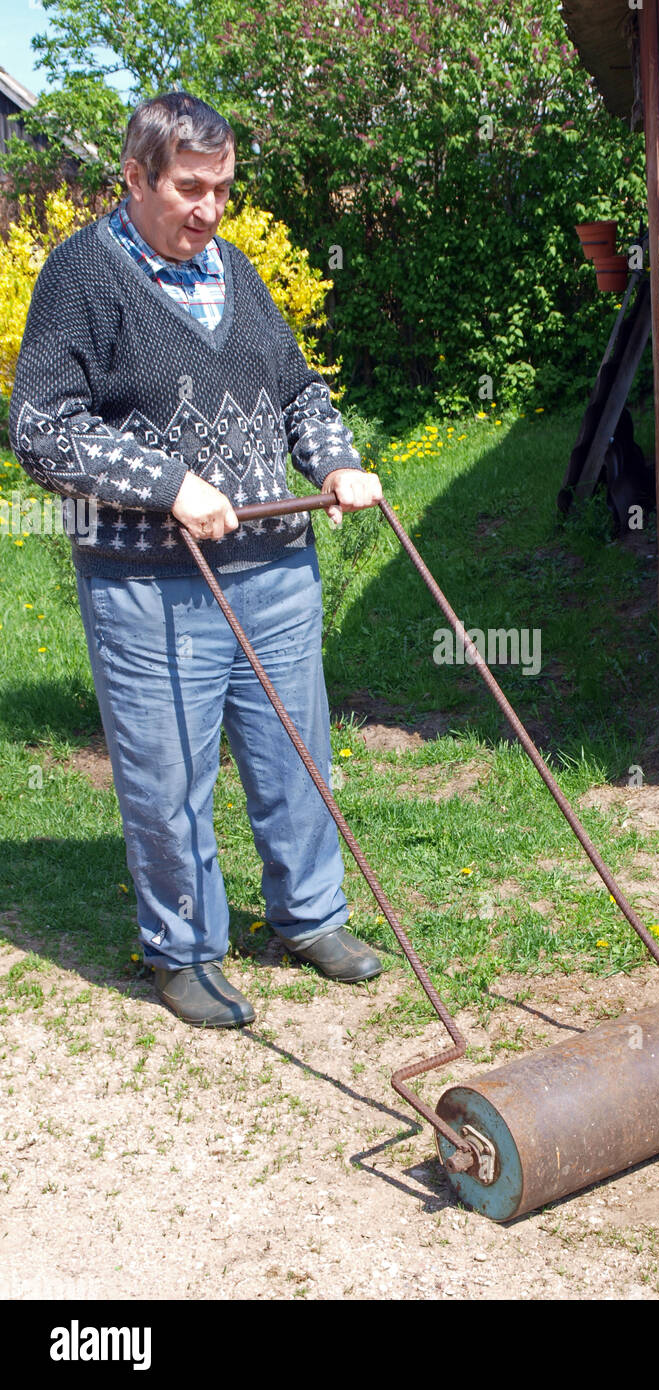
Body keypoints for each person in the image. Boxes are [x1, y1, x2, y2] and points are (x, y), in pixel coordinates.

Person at [10, 91, 384, 1027]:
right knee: (168, 780)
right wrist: (167, 482)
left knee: (295, 754)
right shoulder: (82, 276)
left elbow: (299, 389)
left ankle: (309, 916)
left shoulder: (238, 272)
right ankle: (183, 951)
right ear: (133, 177)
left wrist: (334, 460)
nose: (208, 209)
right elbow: (41, 431)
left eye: (220, 189)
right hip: (153, 586)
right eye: (188, 188)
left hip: (276, 570)